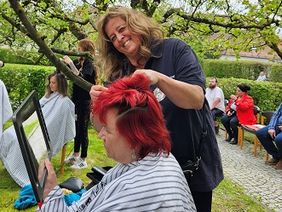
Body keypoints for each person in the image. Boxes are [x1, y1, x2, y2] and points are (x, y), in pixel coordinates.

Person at [90, 6, 223, 212]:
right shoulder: (119, 73)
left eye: (122, 28)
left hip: (192, 168)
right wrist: (96, 105)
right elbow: (103, 126)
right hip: (146, 174)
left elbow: (196, 99)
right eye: (113, 37)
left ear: (136, 24)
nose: (119, 38)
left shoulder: (175, 50)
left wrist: (158, 78)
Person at [38, 74, 196, 211]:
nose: (100, 135)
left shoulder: (136, 193)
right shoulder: (150, 155)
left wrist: (50, 195)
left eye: (107, 129)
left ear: (135, 136)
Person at [0, 71, 75, 187]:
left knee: (20, 141)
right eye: (50, 82)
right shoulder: (50, 96)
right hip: (36, 125)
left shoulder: (65, 102)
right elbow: (39, 106)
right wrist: (45, 96)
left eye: (53, 83)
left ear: (61, 84)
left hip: (45, 130)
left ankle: (22, 169)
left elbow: (56, 122)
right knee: (9, 133)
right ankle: (10, 161)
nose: (51, 85)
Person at [63, 38, 97, 169]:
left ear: (86, 49)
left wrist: (70, 64)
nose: (78, 50)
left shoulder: (90, 64)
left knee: (82, 129)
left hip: (85, 101)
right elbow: (71, 73)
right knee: (76, 127)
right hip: (76, 99)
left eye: (80, 48)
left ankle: (83, 159)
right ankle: (76, 154)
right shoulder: (79, 62)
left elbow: (80, 77)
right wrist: (64, 64)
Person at [256, 103, 282, 170]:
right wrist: (271, 127)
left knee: (279, 139)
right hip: (278, 125)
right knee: (261, 133)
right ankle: (277, 157)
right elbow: (276, 115)